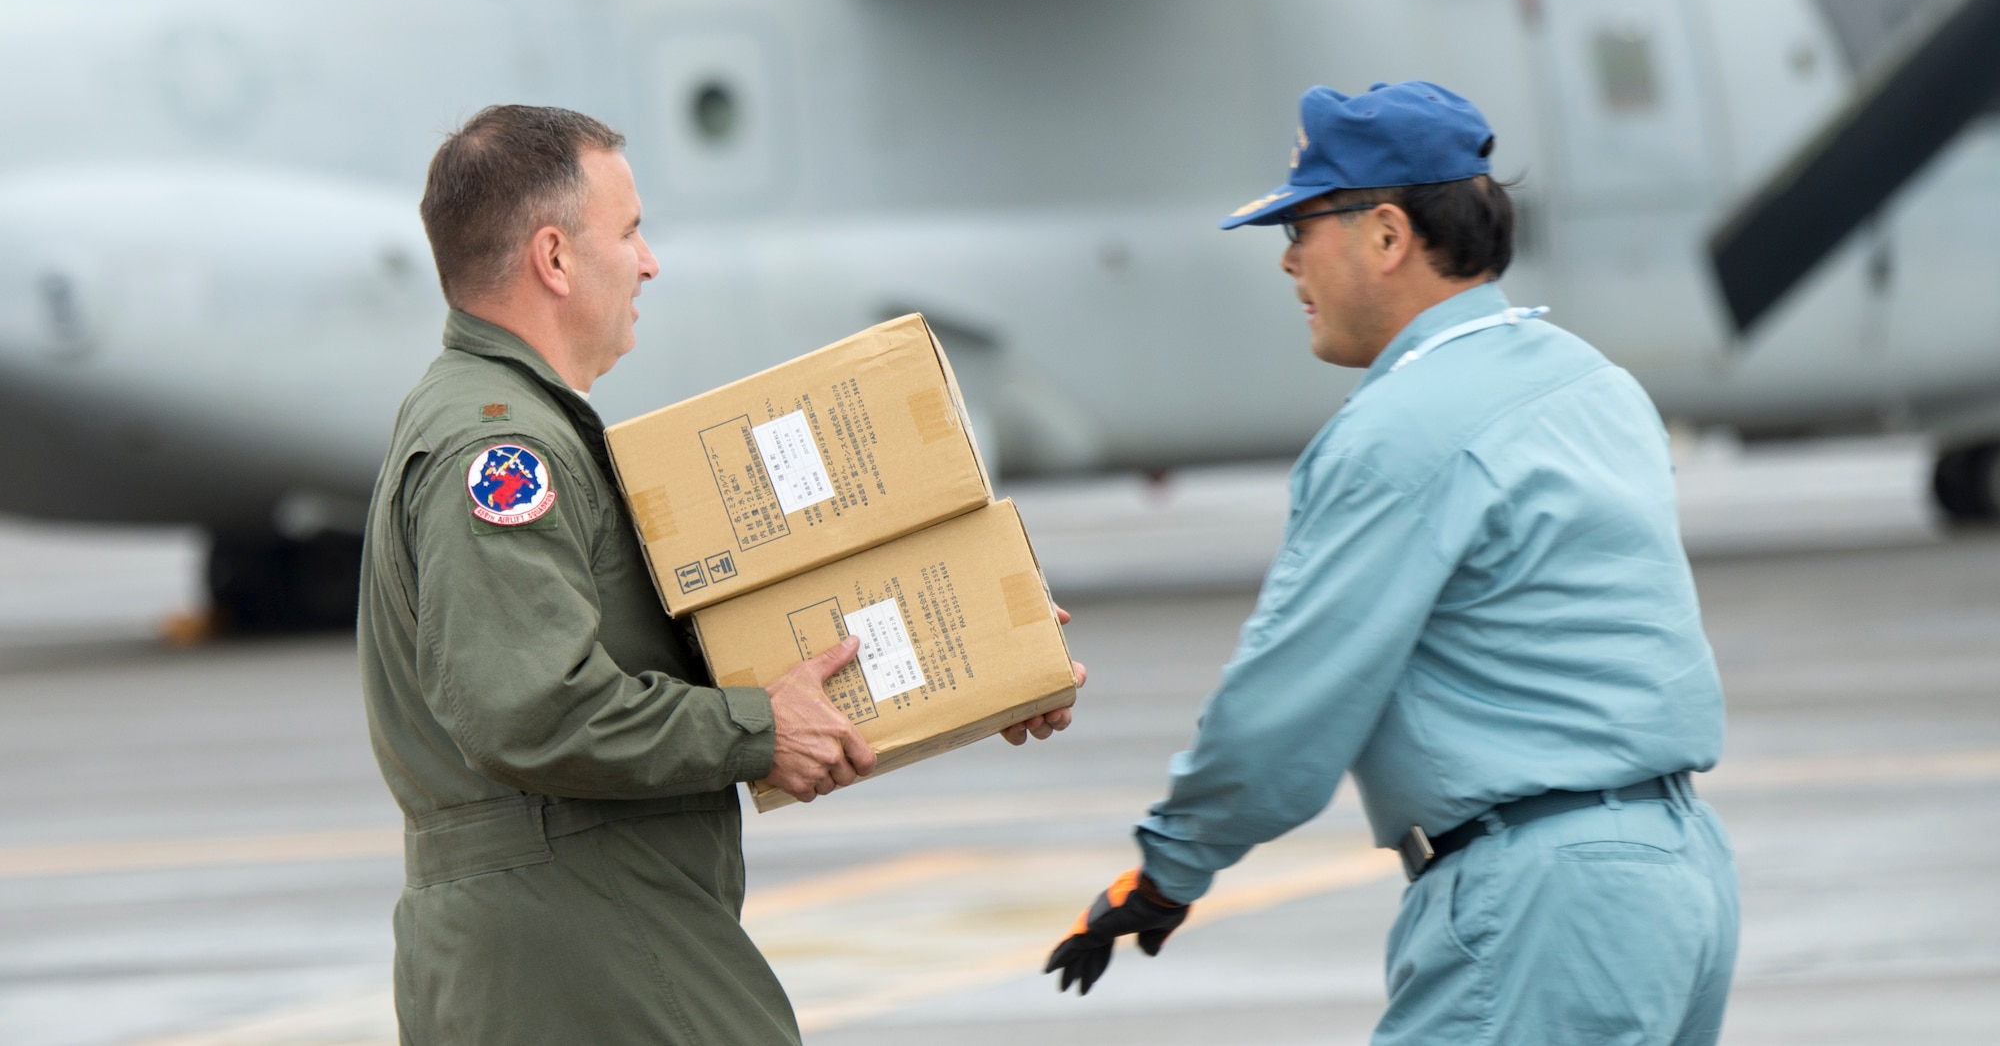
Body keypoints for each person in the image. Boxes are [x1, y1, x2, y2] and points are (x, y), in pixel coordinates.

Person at [359, 105, 1073, 1046]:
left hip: (577, 929)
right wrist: (756, 727)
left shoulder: (508, 422)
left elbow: (642, 658)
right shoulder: (499, 449)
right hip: (582, 944)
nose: (648, 261)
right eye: (629, 230)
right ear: (555, 258)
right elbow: (528, 707)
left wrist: (979, 658)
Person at [1045, 83, 1738, 1045]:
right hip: (1680, 875)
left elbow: (1290, 700)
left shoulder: (1399, 430)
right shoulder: (1594, 381)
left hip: (1544, 905)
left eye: (1301, 224)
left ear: (1384, 234)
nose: (1288, 258)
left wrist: (1169, 872)